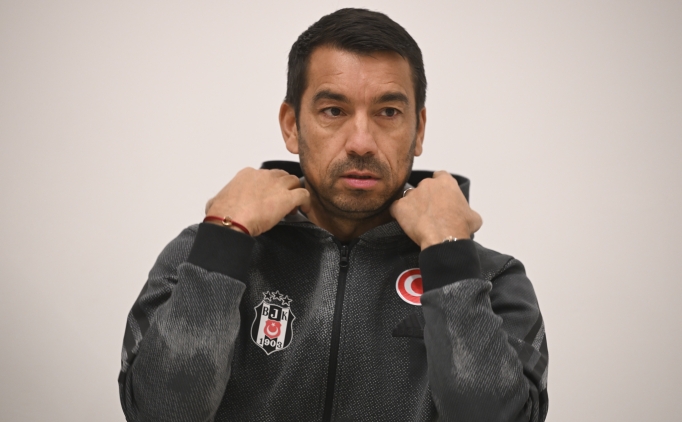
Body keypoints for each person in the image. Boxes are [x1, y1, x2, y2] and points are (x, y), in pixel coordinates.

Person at [118, 8, 548, 422]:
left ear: (418, 130)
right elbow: (158, 413)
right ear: (291, 125)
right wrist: (225, 238)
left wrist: (449, 257)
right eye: (333, 111)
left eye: (388, 112)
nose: (361, 142)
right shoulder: (200, 255)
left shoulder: (491, 278)